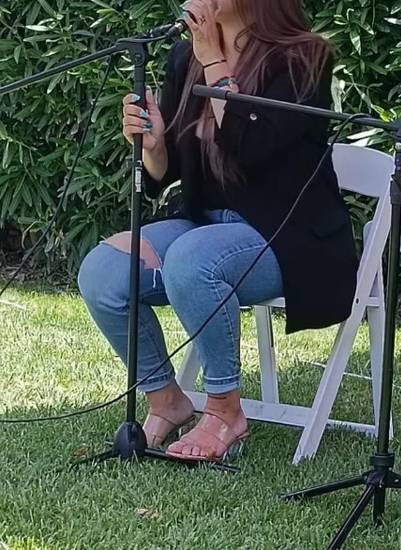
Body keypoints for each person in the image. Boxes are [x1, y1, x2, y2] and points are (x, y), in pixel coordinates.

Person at [78, 0, 357, 463]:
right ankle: (166, 399)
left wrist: (214, 61)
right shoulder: (183, 59)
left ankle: (225, 409)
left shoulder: (303, 57)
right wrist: (152, 145)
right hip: (205, 224)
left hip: (287, 237)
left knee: (192, 259)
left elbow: (250, 148)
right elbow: (162, 175)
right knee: (104, 271)